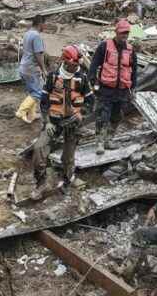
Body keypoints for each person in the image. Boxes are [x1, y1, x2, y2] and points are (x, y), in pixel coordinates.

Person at [32, 46, 94, 198]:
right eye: (72, 65)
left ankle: (67, 180)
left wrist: (82, 115)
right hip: (54, 122)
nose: (75, 67)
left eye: (76, 65)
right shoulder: (53, 77)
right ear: (65, 62)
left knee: (68, 157)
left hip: (73, 123)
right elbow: (44, 103)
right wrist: (47, 122)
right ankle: (41, 184)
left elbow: (90, 101)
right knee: (39, 149)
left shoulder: (82, 78)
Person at [88, 19, 138, 154]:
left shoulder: (130, 50)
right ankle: (99, 142)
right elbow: (94, 64)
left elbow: (134, 70)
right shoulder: (104, 46)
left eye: (126, 33)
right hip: (106, 89)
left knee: (117, 116)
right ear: (116, 32)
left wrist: (133, 87)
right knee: (102, 116)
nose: (124, 36)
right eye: (122, 33)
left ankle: (109, 140)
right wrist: (92, 81)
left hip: (122, 90)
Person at [16, 15, 47, 123]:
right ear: (40, 24)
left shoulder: (27, 33)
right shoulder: (36, 36)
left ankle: (32, 114)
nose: (45, 27)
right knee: (37, 92)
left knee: (31, 91)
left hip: (24, 67)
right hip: (31, 69)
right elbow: (38, 54)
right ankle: (21, 111)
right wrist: (43, 69)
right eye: (44, 24)